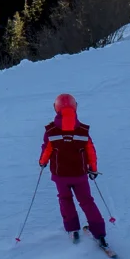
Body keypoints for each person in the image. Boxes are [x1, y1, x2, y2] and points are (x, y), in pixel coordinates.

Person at [39, 93, 107, 247]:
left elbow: (46, 150)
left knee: (65, 199)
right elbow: (90, 150)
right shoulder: (82, 130)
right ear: (75, 107)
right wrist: (93, 168)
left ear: (56, 109)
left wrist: (42, 162)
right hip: (79, 175)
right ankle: (99, 233)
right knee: (87, 202)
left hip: (60, 175)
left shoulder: (51, 131)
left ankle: (72, 229)